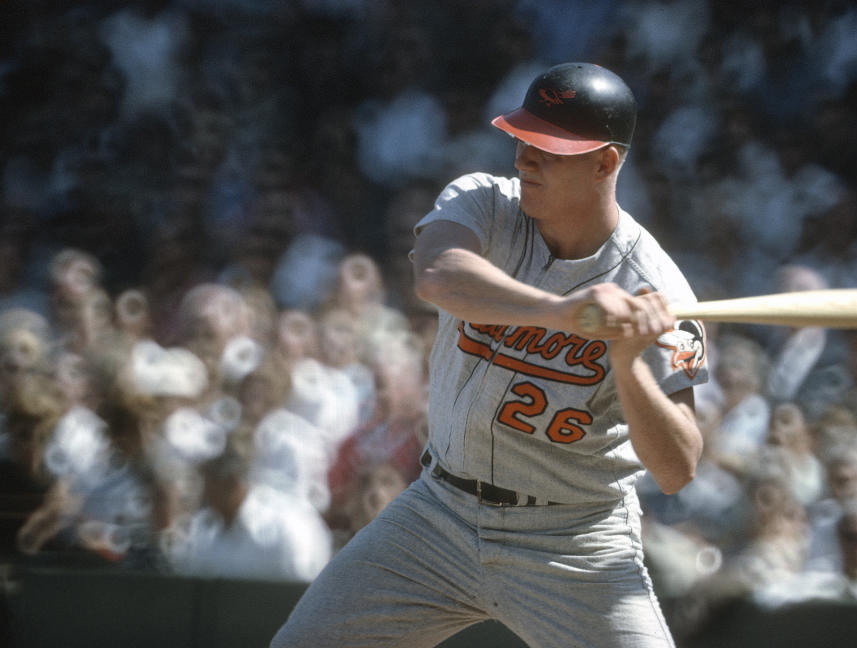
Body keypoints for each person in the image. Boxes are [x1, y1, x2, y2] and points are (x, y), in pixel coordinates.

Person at [273, 62, 708, 648]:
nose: (524, 160)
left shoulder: (664, 295)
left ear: (605, 161)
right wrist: (559, 311)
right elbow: (436, 275)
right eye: (522, 140)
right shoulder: (483, 201)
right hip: (438, 513)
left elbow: (678, 467)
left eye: (548, 149)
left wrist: (628, 365)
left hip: (572, 536)